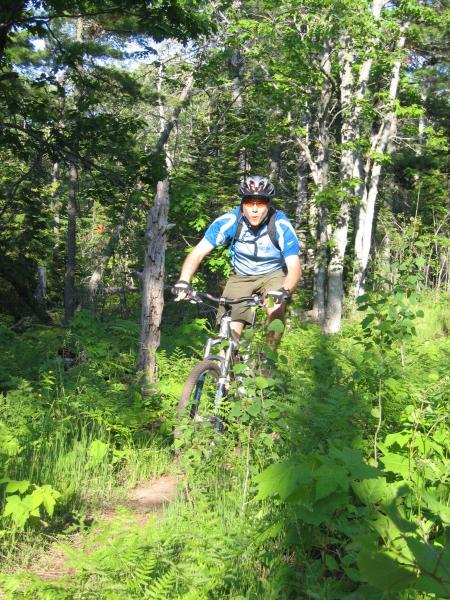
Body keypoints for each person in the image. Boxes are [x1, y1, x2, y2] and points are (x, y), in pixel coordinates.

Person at [172, 175, 301, 350]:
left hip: (272, 274)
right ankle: (225, 367)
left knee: (275, 309)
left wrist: (283, 290)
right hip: (241, 275)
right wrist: (184, 280)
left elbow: (294, 267)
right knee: (231, 328)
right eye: (249, 203)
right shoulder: (229, 221)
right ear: (242, 204)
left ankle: (267, 361)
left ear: (268, 205)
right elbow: (197, 253)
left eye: (260, 203)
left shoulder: (281, 225)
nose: (254, 209)